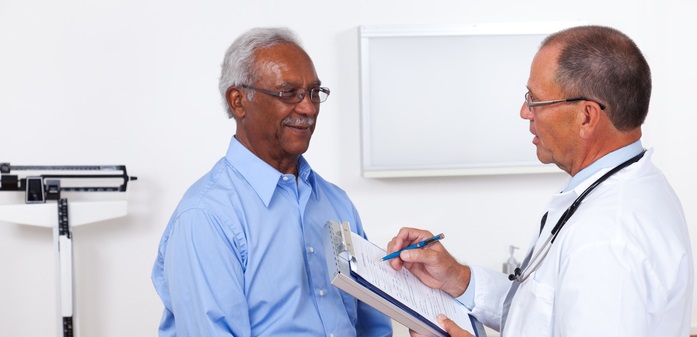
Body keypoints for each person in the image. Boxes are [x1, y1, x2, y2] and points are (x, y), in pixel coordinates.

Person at [386, 25, 693, 337]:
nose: (524, 112)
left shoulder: (607, 238)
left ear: (586, 116)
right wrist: (459, 279)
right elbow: (541, 311)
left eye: (535, 100)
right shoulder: (624, 188)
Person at [151, 27, 392, 337]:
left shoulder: (336, 202)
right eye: (288, 93)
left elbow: (373, 327)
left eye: (313, 92)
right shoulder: (206, 216)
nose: (307, 108)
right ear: (238, 101)